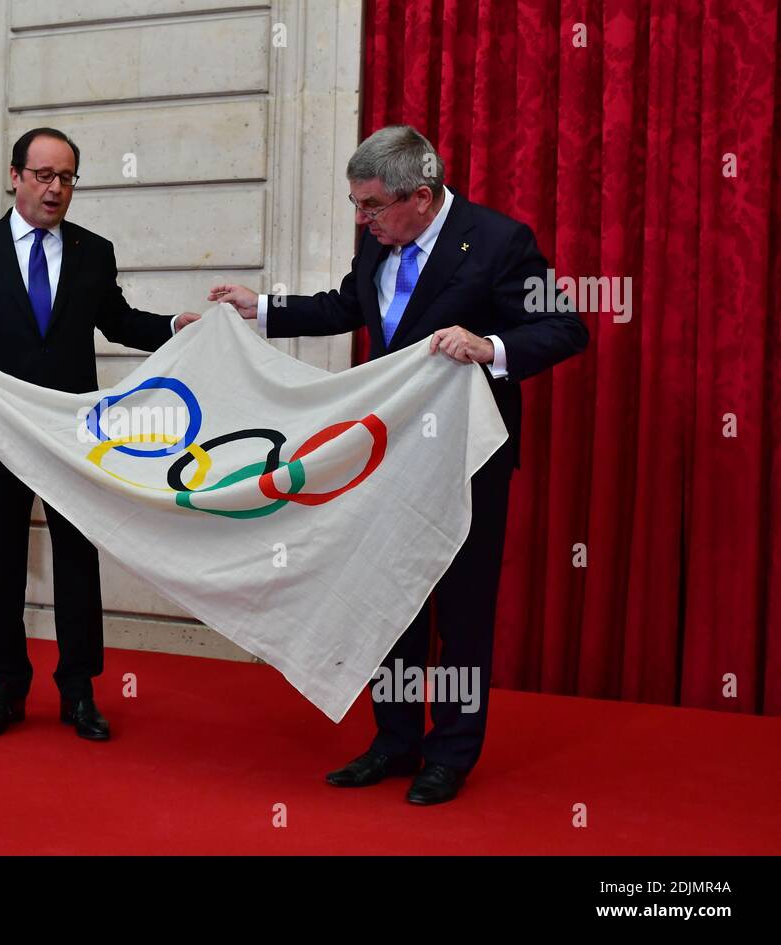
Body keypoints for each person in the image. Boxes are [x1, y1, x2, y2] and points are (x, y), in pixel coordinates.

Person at [210, 125, 588, 804]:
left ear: (421, 194)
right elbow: (348, 305)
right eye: (357, 205)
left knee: (463, 610)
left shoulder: (499, 241)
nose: (361, 219)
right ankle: (394, 739)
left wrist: (490, 344)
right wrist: (260, 309)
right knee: (391, 602)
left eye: (372, 206)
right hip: (386, 454)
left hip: (466, 456)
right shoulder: (378, 240)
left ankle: (451, 752)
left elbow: (564, 325)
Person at [0, 127, 198, 741]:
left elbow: (120, 322)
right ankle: (6, 689)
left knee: (76, 561)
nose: (55, 188)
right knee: (3, 563)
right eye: (43, 175)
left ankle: (78, 693)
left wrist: (180, 325)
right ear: (14, 176)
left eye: (67, 177)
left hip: (74, 439)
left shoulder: (94, 252)